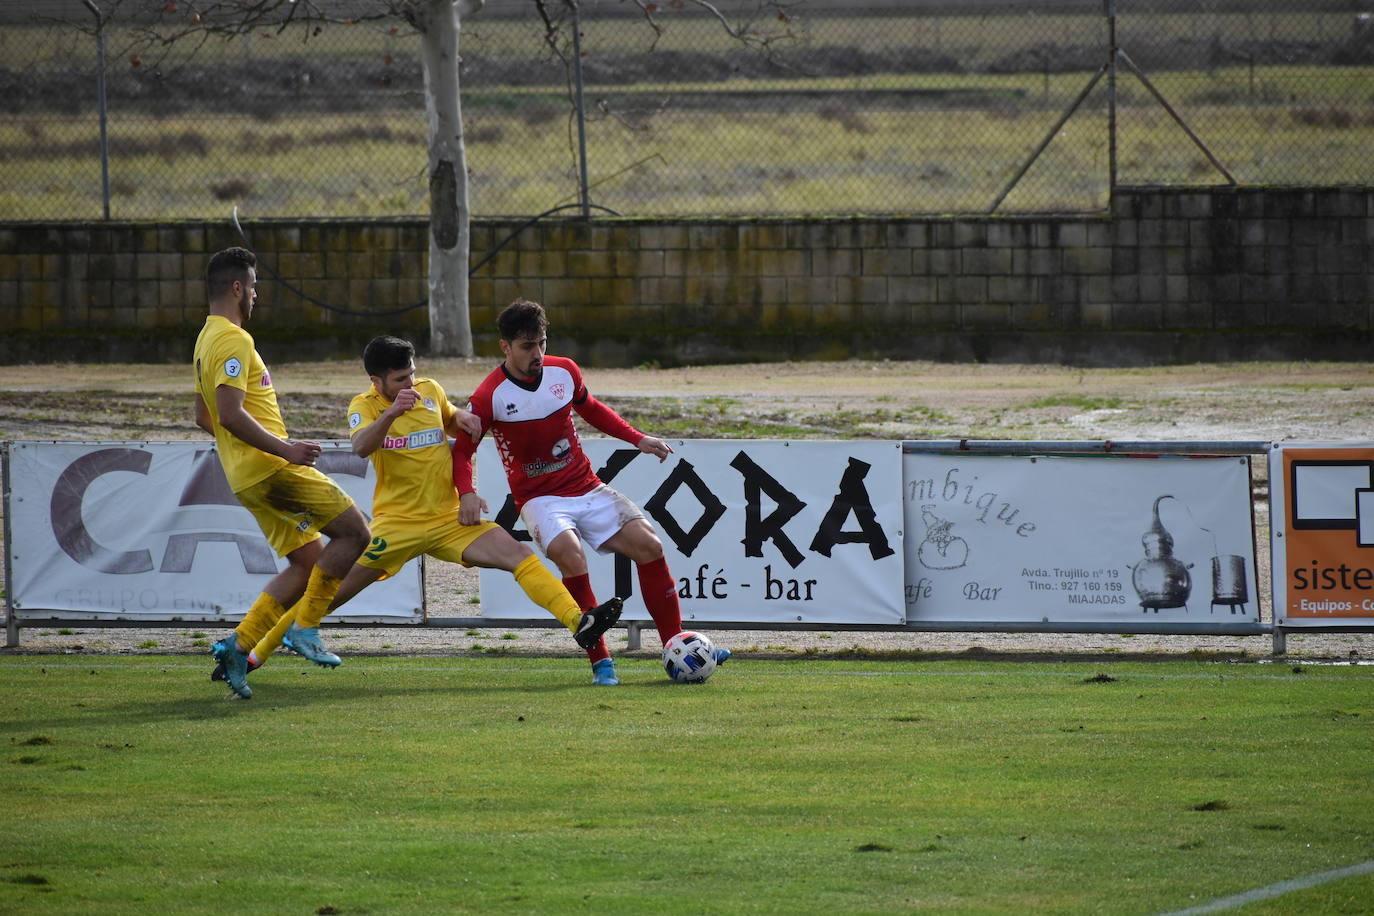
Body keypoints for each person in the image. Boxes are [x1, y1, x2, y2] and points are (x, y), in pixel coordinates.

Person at [234, 335, 624, 685]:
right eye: (400, 380)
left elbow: (452, 420)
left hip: (448, 520)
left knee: (519, 555)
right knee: (328, 593)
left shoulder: (430, 390)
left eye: (412, 375)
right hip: (397, 526)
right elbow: (361, 447)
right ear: (377, 382)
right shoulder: (363, 406)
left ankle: (580, 623)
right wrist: (391, 414)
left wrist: (463, 419)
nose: (411, 385)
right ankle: (251, 658)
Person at [451, 298, 730, 683]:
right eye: (527, 346)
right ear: (505, 347)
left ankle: (678, 646)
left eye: (542, 343)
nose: (538, 353)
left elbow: (592, 408)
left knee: (649, 545)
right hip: (540, 499)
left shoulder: (564, 371)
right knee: (570, 553)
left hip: (586, 486)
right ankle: (601, 661)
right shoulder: (490, 396)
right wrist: (466, 491)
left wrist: (637, 438)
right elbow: (462, 450)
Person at [193, 246, 371, 699]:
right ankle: (305, 628)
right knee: (355, 534)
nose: (256, 296)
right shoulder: (235, 340)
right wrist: (284, 450)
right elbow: (229, 414)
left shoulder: (204, 341)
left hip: (245, 475)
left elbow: (203, 415)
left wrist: (242, 452)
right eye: (253, 287)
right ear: (237, 288)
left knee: (308, 562)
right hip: (271, 469)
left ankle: (239, 646)